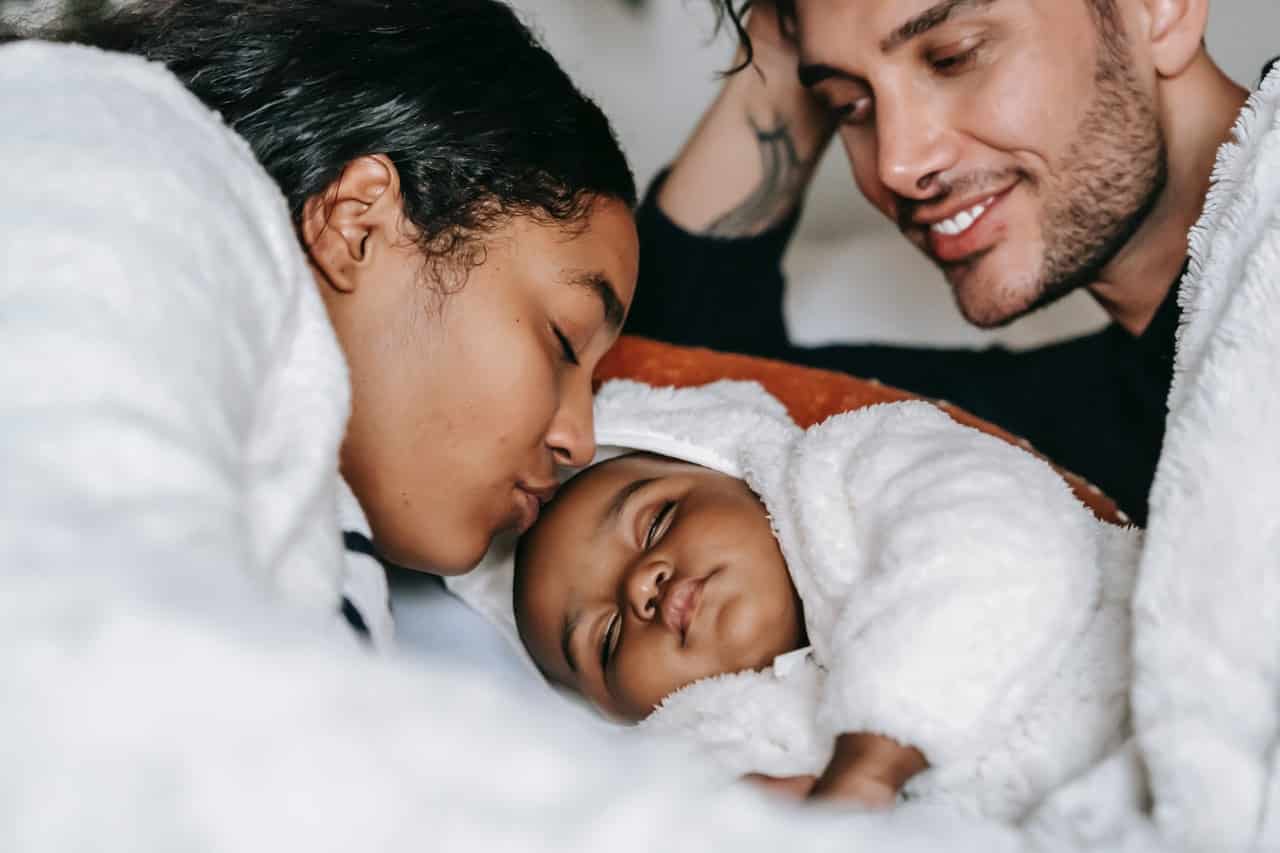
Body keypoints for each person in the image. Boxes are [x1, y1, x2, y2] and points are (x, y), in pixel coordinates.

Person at [0, 0, 638, 646]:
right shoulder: (113, 172)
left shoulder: (311, 517)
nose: (579, 442)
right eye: (564, 341)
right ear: (358, 222)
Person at [626, 0, 1273, 525]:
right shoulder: (1072, 439)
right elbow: (679, 373)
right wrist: (779, 30)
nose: (895, 165)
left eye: (954, 57)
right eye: (849, 105)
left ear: (1160, 9)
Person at [514, 379, 1139, 819]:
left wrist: (873, 759)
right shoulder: (701, 752)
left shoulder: (851, 468)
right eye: (605, 640)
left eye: (654, 523)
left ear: (731, 471)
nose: (637, 588)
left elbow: (1000, 537)